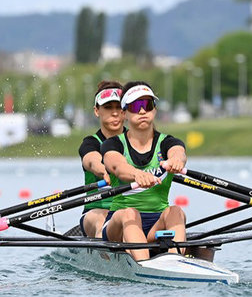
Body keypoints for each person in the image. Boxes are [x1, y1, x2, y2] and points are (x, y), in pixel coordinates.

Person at [100, 81, 187, 261]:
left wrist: (176, 161)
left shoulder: (167, 142)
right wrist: (137, 174)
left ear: (154, 110)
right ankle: (144, 265)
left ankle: (176, 262)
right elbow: (117, 166)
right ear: (124, 113)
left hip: (156, 225)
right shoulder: (113, 144)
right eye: (135, 106)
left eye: (147, 105)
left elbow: (178, 153)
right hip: (119, 225)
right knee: (130, 213)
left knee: (176, 211)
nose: (142, 111)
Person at [77, 80, 125, 238]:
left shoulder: (137, 143)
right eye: (108, 107)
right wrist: (106, 170)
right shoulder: (91, 143)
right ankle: (107, 259)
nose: (115, 113)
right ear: (97, 111)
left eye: (119, 107)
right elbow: (92, 161)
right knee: (103, 220)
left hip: (132, 211)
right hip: (96, 210)